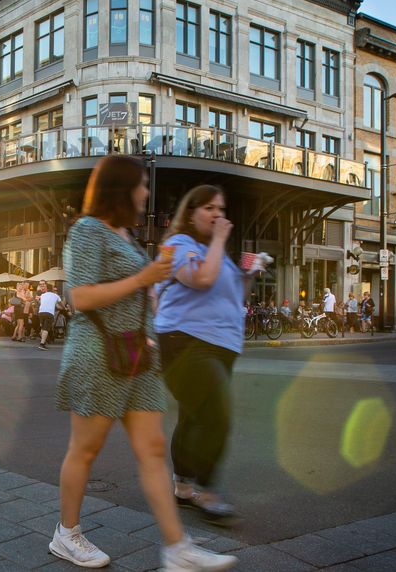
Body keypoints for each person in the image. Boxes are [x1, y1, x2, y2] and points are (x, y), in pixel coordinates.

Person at [51, 155, 236, 571]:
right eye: (141, 184)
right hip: (98, 352)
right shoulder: (87, 230)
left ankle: (177, 548)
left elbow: (138, 287)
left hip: (137, 352)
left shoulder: (127, 235)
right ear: (122, 187)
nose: (146, 192)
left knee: (152, 449)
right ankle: (67, 534)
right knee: (85, 449)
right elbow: (79, 296)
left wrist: (151, 288)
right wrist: (143, 279)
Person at [155, 184, 262, 527]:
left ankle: (183, 486)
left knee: (193, 416)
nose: (218, 214)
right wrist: (218, 241)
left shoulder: (218, 255)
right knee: (217, 414)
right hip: (186, 341)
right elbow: (200, 278)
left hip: (221, 345)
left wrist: (250, 273)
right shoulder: (178, 245)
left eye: (221, 208)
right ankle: (206, 489)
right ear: (191, 214)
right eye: (209, 208)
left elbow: (234, 295)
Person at [36, 281, 62, 351]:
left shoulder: (43, 295)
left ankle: (43, 340)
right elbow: (61, 304)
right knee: (46, 329)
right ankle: (42, 344)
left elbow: (40, 303)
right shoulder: (56, 295)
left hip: (41, 312)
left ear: (47, 288)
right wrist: (64, 308)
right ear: (53, 289)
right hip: (49, 313)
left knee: (43, 328)